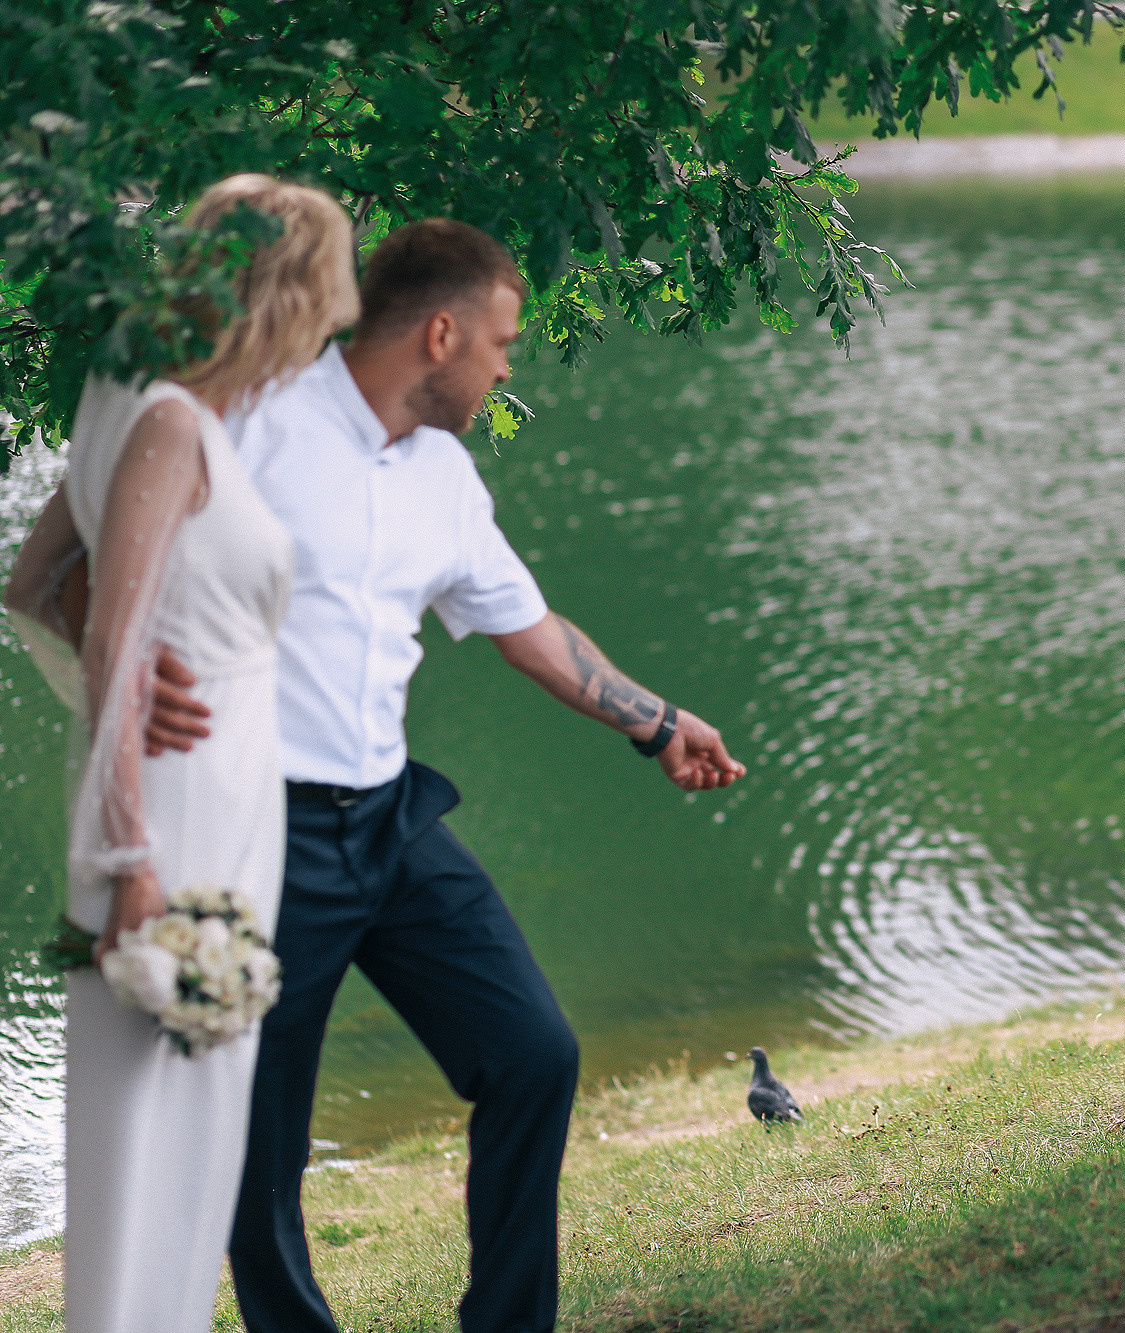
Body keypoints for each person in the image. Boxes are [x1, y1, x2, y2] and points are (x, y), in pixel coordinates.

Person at [136, 217, 746, 1333]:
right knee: (258, 1139)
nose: (506, 365)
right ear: (440, 331)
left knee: (532, 1054)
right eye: (502, 343)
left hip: (391, 818)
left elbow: (526, 626)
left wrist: (658, 724)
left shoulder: (443, 477)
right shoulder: (251, 426)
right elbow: (99, 555)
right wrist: (127, 675)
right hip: (259, 834)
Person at [2, 175, 359, 1333]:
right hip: (173, 819)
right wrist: (131, 854)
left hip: (223, 799)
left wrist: (135, 671)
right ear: (283, 293)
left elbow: (33, 585)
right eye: (325, 297)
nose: (330, 329)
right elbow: (102, 621)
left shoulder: (149, 405)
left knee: (193, 1139)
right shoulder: (163, 418)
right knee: (149, 1147)